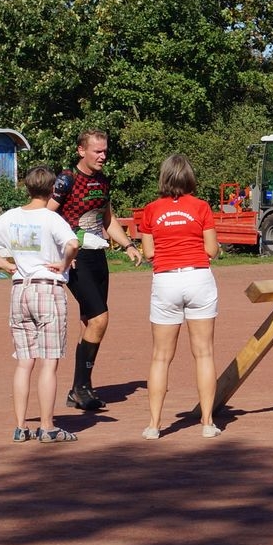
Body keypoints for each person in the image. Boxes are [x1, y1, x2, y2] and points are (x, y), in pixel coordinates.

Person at [0, 166, 82, 443]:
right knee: (49, 362)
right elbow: (73, 244)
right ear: (53, 190)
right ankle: (47, 427)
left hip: (20, 289)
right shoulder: (52, 218)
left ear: (27, 187)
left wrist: (4, 264)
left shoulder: (12, 216)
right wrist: (64, 263)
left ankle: (21, 427)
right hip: (47, 289)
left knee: (24, 362)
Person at [48, 129, 143, 410]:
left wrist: (128, 245)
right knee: (100, 319)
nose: (103, 156)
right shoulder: (67, 179)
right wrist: (62, 252)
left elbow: (107, 219)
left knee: (90, 322)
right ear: (81, 151)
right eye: (97, 151)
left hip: (98, 257)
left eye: (105, 151)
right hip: (76, 259)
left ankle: (80, 389)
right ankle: (80, 387)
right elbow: (45, 216)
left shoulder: (103, 181)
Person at [138, 153, 222, 439]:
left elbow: (149, 252)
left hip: (166, 280)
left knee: (160, 357)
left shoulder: (151, 210)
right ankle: (207, 422)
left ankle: (154, 425)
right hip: (198, 277)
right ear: (189, 178)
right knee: (204, 353)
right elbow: (211, 250)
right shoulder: (201, 207)